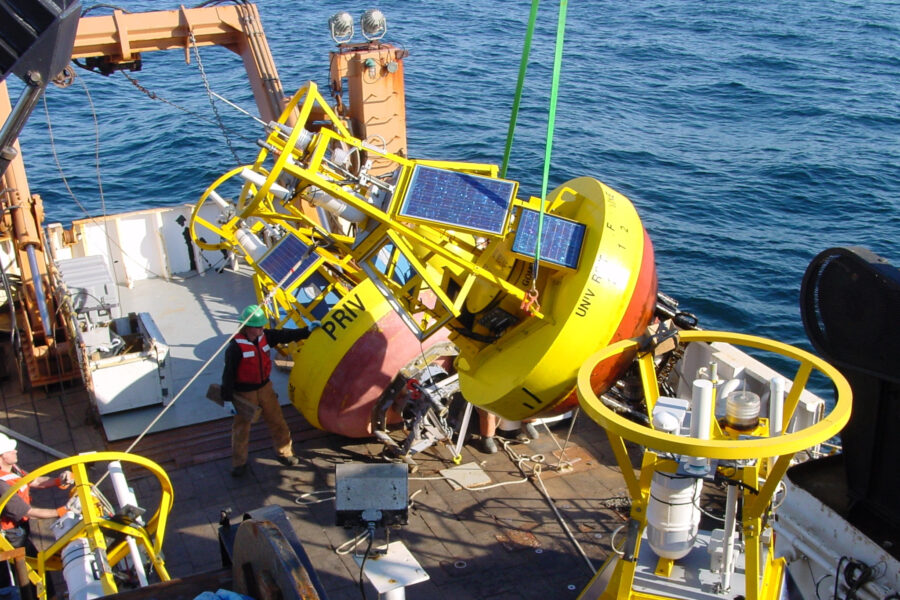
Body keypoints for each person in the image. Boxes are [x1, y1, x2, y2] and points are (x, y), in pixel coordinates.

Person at [223, 304, 316, 477]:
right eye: (258, 326)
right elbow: (228, 374)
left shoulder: (266, 336)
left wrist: (307, 330)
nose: (262, 329)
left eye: (262, 326)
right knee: (241, 428)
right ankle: (239, 463)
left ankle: (285, 453)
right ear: (247, 327)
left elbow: (286, 335)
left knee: (277, 421)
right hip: (244, 392)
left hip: (265, 388)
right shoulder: (235, 348)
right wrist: (227, 399)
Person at [0, 432, 72, 590]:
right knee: (30, 571)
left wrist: (59, 480)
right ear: (2, 456)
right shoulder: (1, 485)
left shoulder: (13, 469)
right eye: (11, 450)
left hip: (20, 528)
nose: (16, 451)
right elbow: (28, 512)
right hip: (11, 536)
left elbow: (35, 481)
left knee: (34, 568)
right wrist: (61, 512)